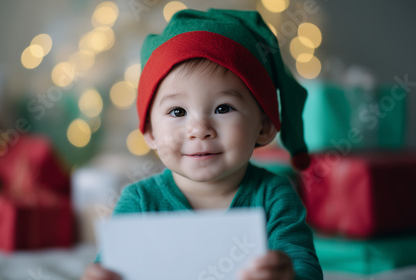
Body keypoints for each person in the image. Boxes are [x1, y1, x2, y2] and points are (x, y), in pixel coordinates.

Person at [83, 8, 323, 280]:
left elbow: (306, 268)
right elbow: (111, 268)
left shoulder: (275, 197)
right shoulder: (139, 203)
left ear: (265, 126)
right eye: (177, 112)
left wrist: (287, 275)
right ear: (149, 132)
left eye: (223, 108)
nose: (199, 130)